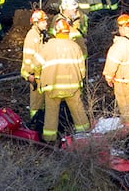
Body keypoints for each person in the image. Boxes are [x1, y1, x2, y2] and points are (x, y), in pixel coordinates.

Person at [38, 15, 90, 144]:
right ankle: (85, 137)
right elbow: (82, 69)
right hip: (72, 87)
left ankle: (49, 140)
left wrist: (38, 76)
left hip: (52, 87)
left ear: (56, 31)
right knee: (78, 111)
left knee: (51, 114)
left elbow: (36, 65)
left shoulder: (47, 46)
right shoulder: (75, 47)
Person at [20, 9, 51, 124]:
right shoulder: (32, 37)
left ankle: (39, 120)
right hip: (34, 74)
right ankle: (34, 122)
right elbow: (28, 58)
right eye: (43, 22)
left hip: (39, 73)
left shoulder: (39, 35)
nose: (46, 24)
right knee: (36, 102)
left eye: (45, 21)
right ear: (36, 23)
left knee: (40, 100)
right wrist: (30, 74)